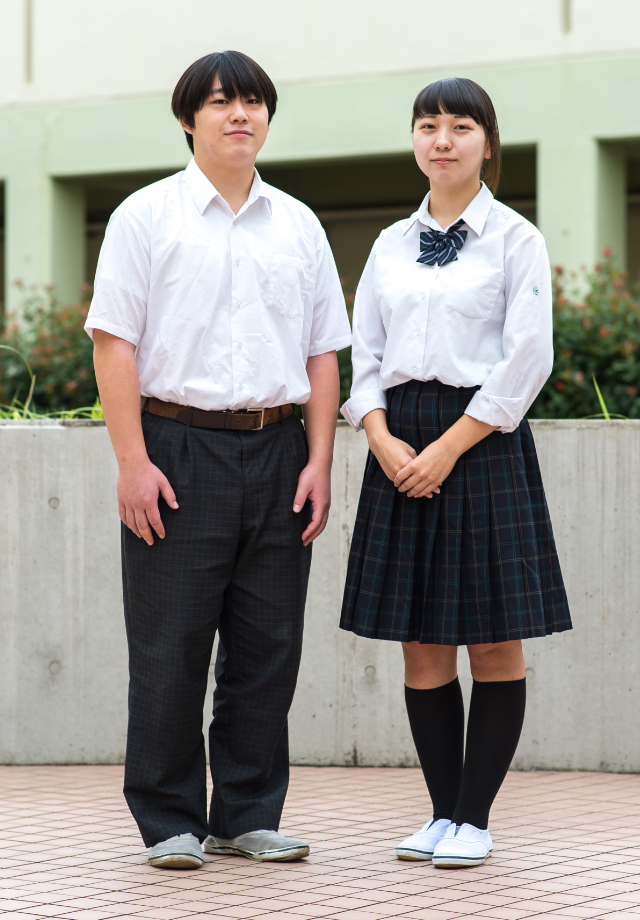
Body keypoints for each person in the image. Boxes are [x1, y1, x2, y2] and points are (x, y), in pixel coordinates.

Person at [86, 50, 351, 869]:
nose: (240, 114)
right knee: (169, 645)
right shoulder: (146, 217)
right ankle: (169, 819)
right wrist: (133, 462)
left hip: (279, 451)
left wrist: (319, 462)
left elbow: (321, 356)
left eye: (253, 102)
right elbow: (114, 344)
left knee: (268, 645)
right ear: (188, 119)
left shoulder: (299, 224)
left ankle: (246, 811)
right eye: (221, 102)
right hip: (177, 448)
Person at [340, 77, 571, 868]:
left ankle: (475, 818)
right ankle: (440, 815)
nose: (442, 139)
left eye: (460, 126)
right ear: (414, 140)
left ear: (486, 142)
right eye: (428, 125)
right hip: (397, 441)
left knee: (494, 644)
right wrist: (378, 435)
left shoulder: (516, 239)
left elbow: (527, 357)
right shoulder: (388, 245)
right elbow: (362, 354)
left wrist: (448, 447)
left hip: (482, 442)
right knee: (421, 647)